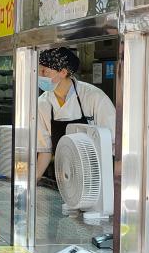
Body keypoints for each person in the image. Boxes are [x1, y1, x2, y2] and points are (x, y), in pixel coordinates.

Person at [36, 46, 116, 178]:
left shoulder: (94, 97)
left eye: (44, 71)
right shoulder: (42, 104)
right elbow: (45, 150)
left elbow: (112, 141)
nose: (40, 76)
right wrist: (32, 181)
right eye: (38, 71)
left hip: (95, 175)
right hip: (63, 175)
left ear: (63, 72)